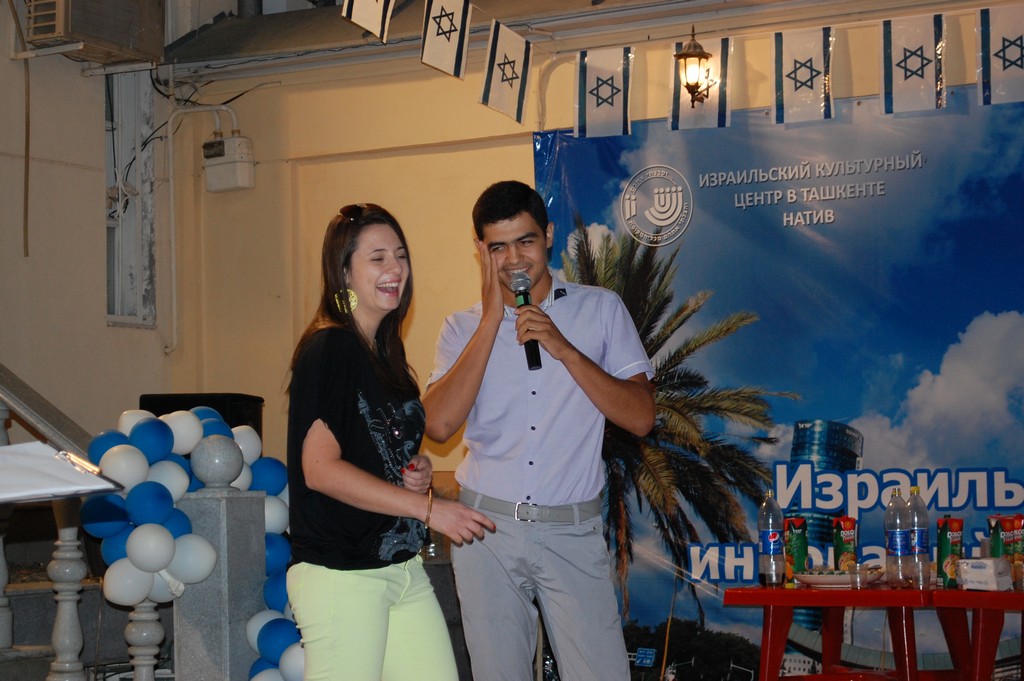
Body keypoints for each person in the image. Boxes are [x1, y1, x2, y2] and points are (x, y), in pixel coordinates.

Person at [423, 180, 656, 681]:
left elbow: (641, 416)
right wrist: (491, 321)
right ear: (480, 250)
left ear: (548, 235)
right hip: (485, 530)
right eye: (497, 247)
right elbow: (438, 425)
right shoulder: (461, 327)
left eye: (525, 241)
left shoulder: (600, 308)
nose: (513, 260)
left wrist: (566, 350)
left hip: (572, 528)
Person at [285, 203, 495, 681]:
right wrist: (429, 509)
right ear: (344, 273)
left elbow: (372, 451)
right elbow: (319, 469)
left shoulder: (386, 356)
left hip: (400, 568)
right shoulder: (330, 347)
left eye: (400, 256)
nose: (395, 268)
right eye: (377, 258)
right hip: (342, 576)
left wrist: (414, 471)